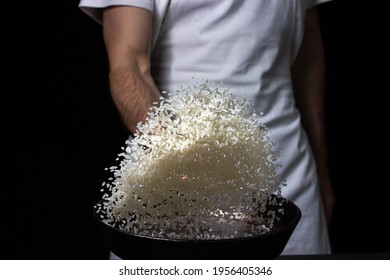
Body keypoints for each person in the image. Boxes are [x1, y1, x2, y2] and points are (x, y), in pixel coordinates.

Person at [78, 0, 335, 256]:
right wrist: (180, 166)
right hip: (175, 185)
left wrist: (321, 172)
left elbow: (308, 60)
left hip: (292, 181)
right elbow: (129, 67)